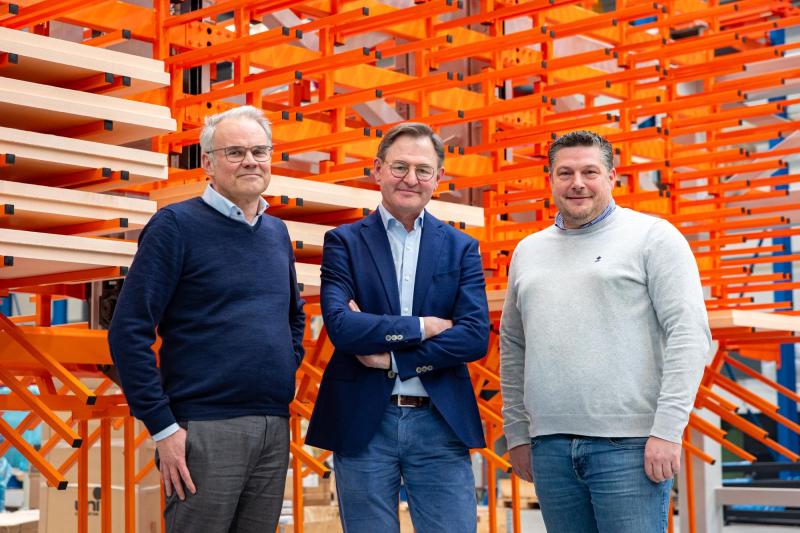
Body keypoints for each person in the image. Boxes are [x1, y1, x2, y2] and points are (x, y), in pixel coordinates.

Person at [499, 130, 710, 533]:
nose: (577, 182)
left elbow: (689, 333)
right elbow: (512, 344)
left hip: (629, 446)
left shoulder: (653, 237)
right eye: (565, 173)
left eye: (590, 172)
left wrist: (668, 430)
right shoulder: (528, 251)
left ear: (612, 176)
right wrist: (517, 433)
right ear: (550, 179)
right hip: (549, 447)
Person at [108, 105, 305, 533]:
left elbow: (293, 317)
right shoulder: (175, 226)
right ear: (208, 163)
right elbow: (127, 331)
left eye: (259, 151)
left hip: (273, 426)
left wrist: (281, 370)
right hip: (204, 428)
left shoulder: (276, 233)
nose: (250, 161)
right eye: (235, 152)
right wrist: (163, 427)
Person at [305, 122, 490, 533]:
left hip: (439, 422)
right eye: (400, 166)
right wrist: (424, 326)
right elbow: (342, 328)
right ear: (378, 170)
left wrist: (393, 359)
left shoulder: (460, 247)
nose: (411, 178)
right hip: (364, 421)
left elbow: (474, 336)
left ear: (438, 178)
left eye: (423, 170)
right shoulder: (344, 242)